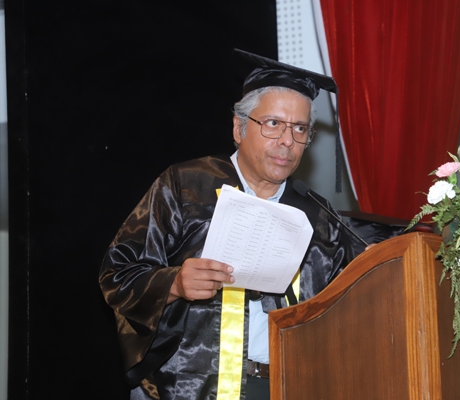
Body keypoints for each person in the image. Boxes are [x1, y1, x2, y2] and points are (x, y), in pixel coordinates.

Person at [99, 49, 362, 400]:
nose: (288, 140)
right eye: (273, 124)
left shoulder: (317, 214)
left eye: (300, 128)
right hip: (187, 388)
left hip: (285, 386)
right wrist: (173, 283)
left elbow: (352, 302)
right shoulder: (187, 185)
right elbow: (117, 274)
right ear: (239, 128)